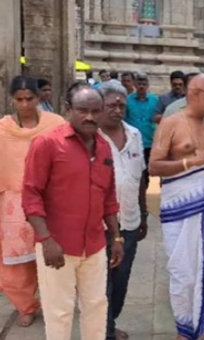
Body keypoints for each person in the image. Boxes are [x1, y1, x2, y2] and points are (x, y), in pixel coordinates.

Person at [22, 83, 124, 340]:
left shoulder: (103, 146)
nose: (90, 117)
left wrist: (117, 236)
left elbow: (108, 197)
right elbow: (31, 194)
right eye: (82, 110)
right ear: (68, 109)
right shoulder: (47, 144)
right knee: (59, 312)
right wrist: (46, 240)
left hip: (94, 244)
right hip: (57, 246)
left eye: (95, 111)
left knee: (97, 306)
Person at [149, 74, 204, 340]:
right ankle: (184, 329)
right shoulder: (171, 123)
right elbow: (154, 166)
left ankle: (200, 325)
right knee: (182, 271)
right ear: (195, 94)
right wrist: (189, 163)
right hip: (180, 210)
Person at [0, 76, 64, 328]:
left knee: (54, 254)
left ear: (39, 98)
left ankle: (55, 304)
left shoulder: (56, 125)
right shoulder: (3, 129)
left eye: (30, 98)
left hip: (50, 198)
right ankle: (25, 305)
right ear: (12, 100)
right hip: (12, 203)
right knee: (17, 262)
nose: (25, 104)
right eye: (19, 99)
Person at [97, 81, 148, 340]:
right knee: (99, 283)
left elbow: (140, 178)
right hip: (98, 226)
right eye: (111, 105)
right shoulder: (90, 137)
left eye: (121, 105)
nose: (117, 110)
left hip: (129, 221)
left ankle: (110, 323)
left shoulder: (135, 135)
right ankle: (103, 331)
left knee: (121, 280)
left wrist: (144, 214)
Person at [124, 72, 159, 190]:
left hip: (150, 142)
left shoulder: (155, 100)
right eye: (139, 83)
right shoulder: (128, 101)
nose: (141, 86)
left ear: (148, 85)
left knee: (147, 173)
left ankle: (143, 198)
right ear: (134, 84)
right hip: (132, 143)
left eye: (144, 84)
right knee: (135, 172)